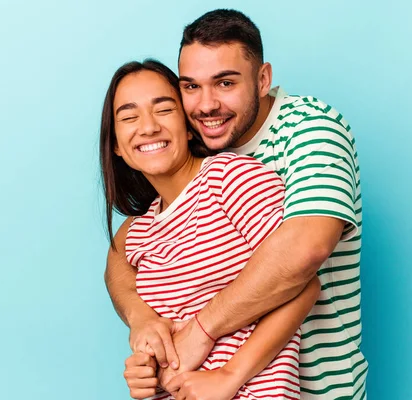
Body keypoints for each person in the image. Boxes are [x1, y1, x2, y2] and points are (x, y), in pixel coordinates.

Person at [107, 9, 367, 399]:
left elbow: (304, 255)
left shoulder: (306, 130)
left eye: (225, 83)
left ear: (263, 79)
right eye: (191, 87)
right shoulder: (176, 189)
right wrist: (143, 326)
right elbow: (123, 261)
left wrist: (204, 335)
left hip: (317, 388)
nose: (207, 105)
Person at [100, 59, 321, 399]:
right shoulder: (138, 232)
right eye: (129, 117)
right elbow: (166, 333)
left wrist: (229, 376)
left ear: (188, 125)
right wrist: (146, 369)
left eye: (163, 110)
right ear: (116, 144)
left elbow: (302, 285)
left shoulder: (229, 178)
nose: (147, 127)